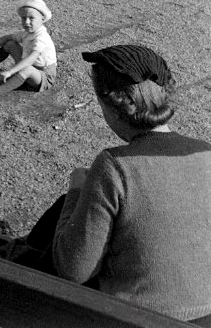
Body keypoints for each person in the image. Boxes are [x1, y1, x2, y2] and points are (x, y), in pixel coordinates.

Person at [12, 45, 211, 323]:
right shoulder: (206, 152)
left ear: (112, 108)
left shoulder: (114, 166)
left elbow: (73, 269)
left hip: (136, 319)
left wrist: (76, 190)